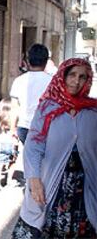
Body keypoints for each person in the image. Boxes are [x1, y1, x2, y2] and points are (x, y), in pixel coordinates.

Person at [12, 58, 97, 238]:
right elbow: (34, 146)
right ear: (63, 77)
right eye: (72, 75)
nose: (76, 81)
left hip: (84, 187)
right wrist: (33, 180)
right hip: (52, 184)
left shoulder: (92, 112)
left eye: (82, 77)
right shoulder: (47, 109)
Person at [10, 44, 52, 144]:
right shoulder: (52, 82)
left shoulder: (19, 81)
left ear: (28, 61)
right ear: (46, 61)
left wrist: (12, 129)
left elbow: (14, 108)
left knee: (29, 156)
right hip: (45, 127)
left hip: (24, 127)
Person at [0, 98, 19, 189]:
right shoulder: (15, 118)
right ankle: (9, 180)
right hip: (12, 143)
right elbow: (16, 131)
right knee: (12, 162)